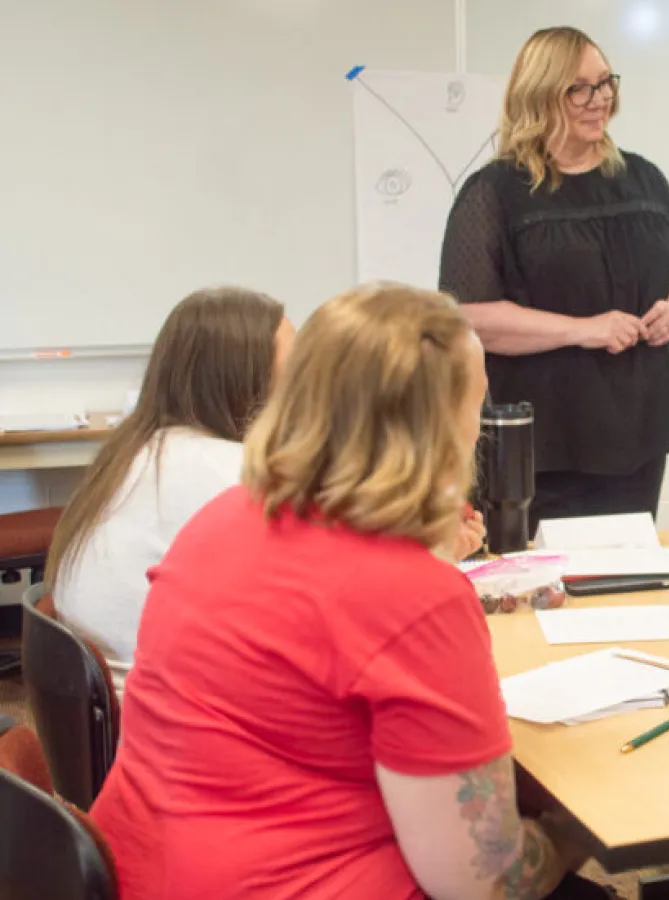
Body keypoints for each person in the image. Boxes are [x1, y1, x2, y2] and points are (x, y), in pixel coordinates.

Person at [91, 284, 596, 900]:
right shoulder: (415, 595)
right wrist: (576, 833)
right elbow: (485, 883)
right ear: (444, 428)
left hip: (148, 873)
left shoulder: (224, 517)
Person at [440, 25, 669, 531]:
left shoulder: (644, 178)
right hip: (542, 442)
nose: (598, 99)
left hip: (637, 426)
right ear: (538, 96)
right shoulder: (495, 191)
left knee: (625, 580)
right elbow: (469, 318)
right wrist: (585, 329)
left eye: (605, 83)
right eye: (578, 88)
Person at [47, 287, 295, 688]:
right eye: (295, 371)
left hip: (100, 707)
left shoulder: (137, 448)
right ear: (245, 381)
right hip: (159, 717)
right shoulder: (230, 470)